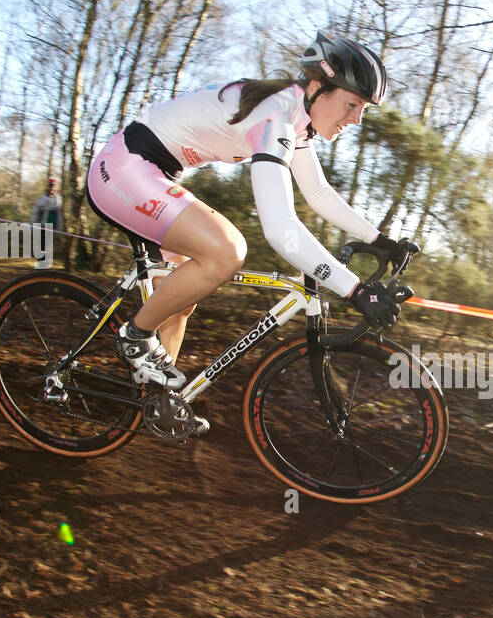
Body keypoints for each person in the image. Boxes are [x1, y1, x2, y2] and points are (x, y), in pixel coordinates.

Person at [85, 31, 410, 407]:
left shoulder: (293, 114)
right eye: (352, 104)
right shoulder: (275, 116)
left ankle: (155, 405)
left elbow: (319, 193)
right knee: (226, 251)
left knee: (180, 300)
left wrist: (379, 239)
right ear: (319, 87)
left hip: (152, 174)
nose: (356, 119)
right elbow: (281, 228)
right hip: (125, 169)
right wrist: (354, 289)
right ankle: (135, 336)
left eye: (363, 110)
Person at [29, 178, 62, 269]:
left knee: (48, 248)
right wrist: (32, 224)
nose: (52, 189)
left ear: (56, 188)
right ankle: (39, 267)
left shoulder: (58, 200)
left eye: (54, 187)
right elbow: (35, 212)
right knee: (40, 247)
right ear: (48, 187)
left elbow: (59, 215)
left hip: (50, 227)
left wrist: (59, 227)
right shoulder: (42, 199)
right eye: (51, 187)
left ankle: (46, 267)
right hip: (40, 227)